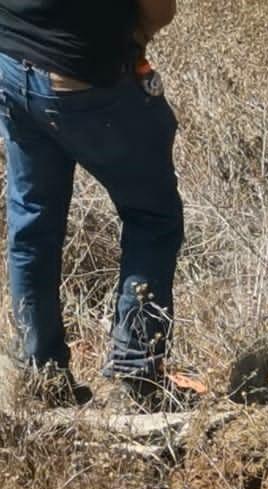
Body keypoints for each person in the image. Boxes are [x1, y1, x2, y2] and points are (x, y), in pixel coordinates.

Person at [0, 1, 183, 405]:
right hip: (81, 74)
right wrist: (134, 37)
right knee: (153, 216)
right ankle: (134, 377)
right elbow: (159, 9)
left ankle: (41, 376)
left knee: (32, 223)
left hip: (11, 65)